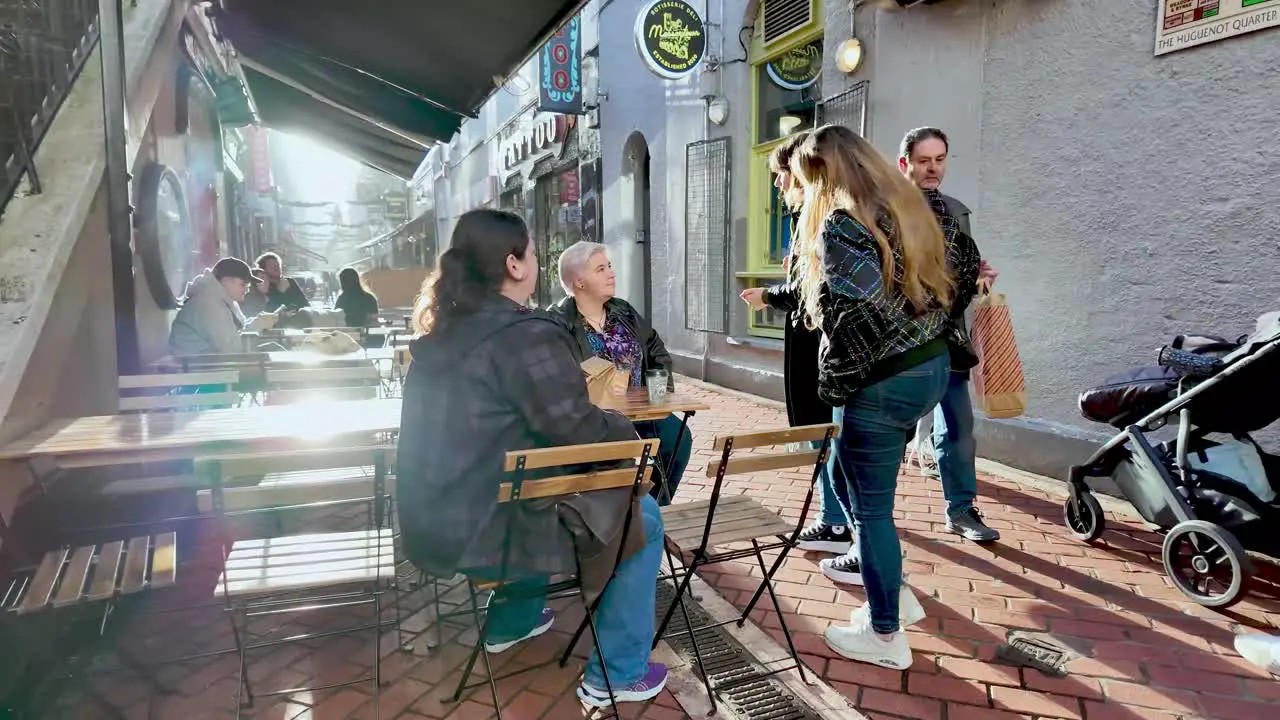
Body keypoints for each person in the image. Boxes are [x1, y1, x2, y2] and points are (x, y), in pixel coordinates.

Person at [396, 209, 668, 707]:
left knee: (546, 487)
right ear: (514, 265)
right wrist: (623, 425)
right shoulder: (523, 335)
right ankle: (618, 674)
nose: (536, 264)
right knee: (642, 514)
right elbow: (576, 428)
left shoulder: (442, 334)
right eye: (532, 254)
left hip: (432, 520)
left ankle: (512, 622)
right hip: (489, 527)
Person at [785, 124, 975, 669]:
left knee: (871, 511)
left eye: (803, 180)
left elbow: (856, 318)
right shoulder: (916, 207)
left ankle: (885, 633)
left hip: (882, 379)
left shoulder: (844, 223)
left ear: (822, 174)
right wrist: (927, 324)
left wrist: (834, 386)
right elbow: (963, 274)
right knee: (858, 491)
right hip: (930, 367)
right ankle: (897, 595)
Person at [740, 130, 852, 554]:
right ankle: (837, 518)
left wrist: (767, 296)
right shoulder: (812, 218)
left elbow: (812, 290)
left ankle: (837, 522)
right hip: (814, 341)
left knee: (821, 434)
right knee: (819, 434)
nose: (778, 184)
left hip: (819, 346)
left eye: (781, 175)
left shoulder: (824, 220)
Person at [897, 127, 1001, 543]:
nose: (933, 168)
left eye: (940, 159)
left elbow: (965, 267)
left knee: (958, 428)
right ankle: (861, 519)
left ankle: (961, 509)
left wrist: (980, 277)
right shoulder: (885, 212)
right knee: (885, 433)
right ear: (905, 163)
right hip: (899, 345)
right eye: (924, 161)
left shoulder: (957, 211)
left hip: (948, 341)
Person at [549, 241, 692, 506]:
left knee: (678, 437)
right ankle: (622, 516)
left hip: (641, 410)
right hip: (596, 417)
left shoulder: (623, 310)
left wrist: (658, 396)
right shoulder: (557, 322)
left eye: (610, 267)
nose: (611, 273)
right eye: (600, 269)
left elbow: (655, 350)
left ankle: (652, 507)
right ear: (579, 282)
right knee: (618, 458)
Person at [169, 258, 278, 355]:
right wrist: (258, 324)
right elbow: (231, 349)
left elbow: (237, 333)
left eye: (248, 286)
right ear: (226, 280)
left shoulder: (224, 300)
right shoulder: (208, 302)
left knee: (272, 348)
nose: (247, 289)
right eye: (243, 284)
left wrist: (259, 321)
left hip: (204, 364)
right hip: (192, 370)